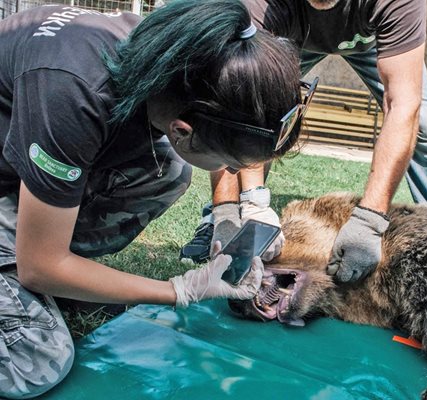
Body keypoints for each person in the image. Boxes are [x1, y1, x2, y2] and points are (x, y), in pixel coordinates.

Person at [0, 0, 305, 397]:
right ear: (182, 130)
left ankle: (47, 268)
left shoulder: (173, 57)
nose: (230, 173)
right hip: (23, 169)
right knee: (37, 363)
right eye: (230, 163)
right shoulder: (72, 93)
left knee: (167, 171)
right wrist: (178, 290)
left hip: (20, 164)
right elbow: (39, 266)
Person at [180, 0, 427, 283]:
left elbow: (402, 103)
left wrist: (370, 222)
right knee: (251, 94)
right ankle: (224, 215)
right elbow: (234, 100)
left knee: (423, 126)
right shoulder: (261, 5)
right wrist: (228, 211)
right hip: (289, 37)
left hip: (370, 38)